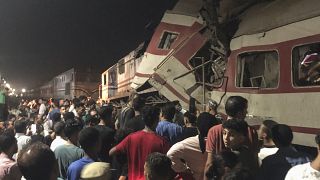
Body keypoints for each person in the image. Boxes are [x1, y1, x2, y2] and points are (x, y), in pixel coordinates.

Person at [109, 106, 170, 180]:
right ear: (157, 120)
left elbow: (111, 152)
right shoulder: (162, 142)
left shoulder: (131, 138)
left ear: (143, 119)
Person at [205, 96, 259, 179]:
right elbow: (254, 163)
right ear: (239, 113)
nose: (246, 112)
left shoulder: (214, 131)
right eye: (245, 109)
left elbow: (209, 163)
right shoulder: (251, 131)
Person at [167, 112, 218, 180]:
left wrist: (184, 169)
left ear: (198, 128)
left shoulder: (188, 143)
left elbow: (170, 154)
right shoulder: (220, 141)